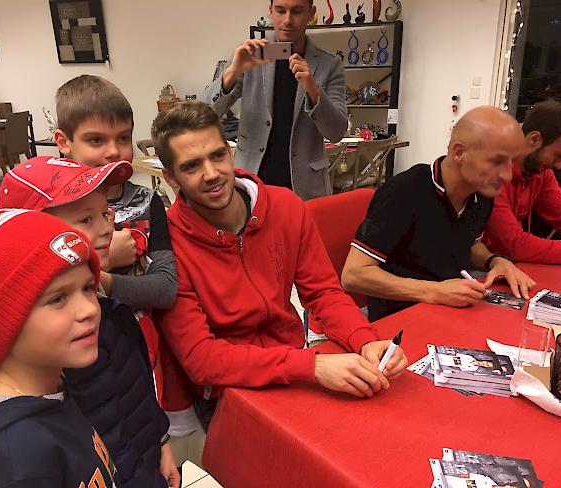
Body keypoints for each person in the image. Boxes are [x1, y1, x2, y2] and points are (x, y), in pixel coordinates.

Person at [151, 100, 407, 431]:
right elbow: (202, 359)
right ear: (170, 177)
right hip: (228, 389)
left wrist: (365, 339)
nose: (212, 174)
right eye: (191, 166)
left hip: (292, 363)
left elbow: (323, 292)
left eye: (217, 156)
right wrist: (311, 367)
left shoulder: (285, 207)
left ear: (231, 154)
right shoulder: (167, 245)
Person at [0, 157, 179, 488]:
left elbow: (134, 389)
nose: (108, 227)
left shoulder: (105, 306)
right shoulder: (53, 341)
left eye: (104, 212)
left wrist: (160, 442)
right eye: (85, 218)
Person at [0, 208, 121, 487]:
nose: (88, 310)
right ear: (0, 323)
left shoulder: (50, 387)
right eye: (58, 298)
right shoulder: (18, 462)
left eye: (87, 288)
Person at [341, 107, 535, 322]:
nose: (507, 175)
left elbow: (469, 244)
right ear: (459, 152)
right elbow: (353, 275)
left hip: (451, 310)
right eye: (497, 162)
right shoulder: (405, 191)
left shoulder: (482, 194)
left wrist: (496, 262)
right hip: (400, 318)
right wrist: (434, 291)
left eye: (512, 162)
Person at [54, 74, 177, 365]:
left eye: (123, 138)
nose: (113, 151)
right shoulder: (53, 207)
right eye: (96, 140)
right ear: (64, 142)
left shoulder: (148, 202)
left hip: (139, 348)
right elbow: (39, 289)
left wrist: (102, 278)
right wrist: (102, 261)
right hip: (72, 357)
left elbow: (165, 289)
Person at [202, 0, 347, 200]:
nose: (287, 20)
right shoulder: (250, 56)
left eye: (296, 11)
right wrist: (232, 73)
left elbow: (337, 132)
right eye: (280, 10)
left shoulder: (329, 65)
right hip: (251, 184)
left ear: (311, 13)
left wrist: (313, 89)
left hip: (304, 189)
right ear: (271, 11)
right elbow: (204, 113)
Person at [483, 100, 561, 264]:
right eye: (559, 155)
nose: (560, 165)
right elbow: (515, 245)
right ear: (534, 139)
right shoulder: (493, 171)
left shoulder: (542, 173)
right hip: (475, 267)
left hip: (507, 264)